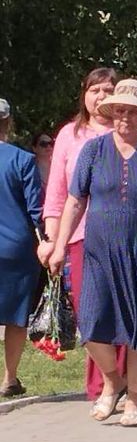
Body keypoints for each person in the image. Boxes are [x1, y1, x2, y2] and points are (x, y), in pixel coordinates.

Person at [49, 79, 137, 427]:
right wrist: (59, 245)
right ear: (111, 113)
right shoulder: (93, 151)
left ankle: (134, 402)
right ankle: (112, 380)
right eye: (119, 110)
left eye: (133, 112)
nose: (125, 117)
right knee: (91, 324)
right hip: (97, 253)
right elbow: (75, 201)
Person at [38, 68, 131, 401]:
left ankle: (118, 384)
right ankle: (109, 380)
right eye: (95, 90)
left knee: (124, 309)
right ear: (84, 94)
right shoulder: (69, 135)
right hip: (78, 236)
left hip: (128, 236)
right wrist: (51, 240)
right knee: (89, 311)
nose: (101, 97)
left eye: (108, 90)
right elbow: (57, 195)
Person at [0, 98, 43, 397]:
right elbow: (36, 210)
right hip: (17, 249)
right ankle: (9, 378)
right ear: (8, 123)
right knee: (16, 317)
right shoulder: (23, 160)